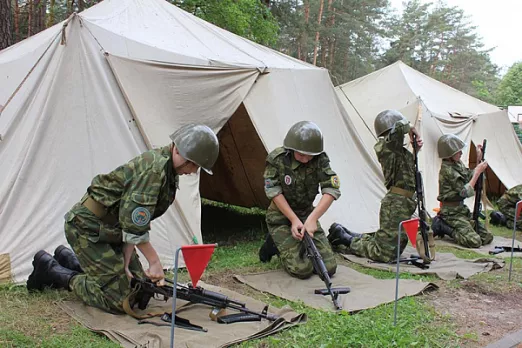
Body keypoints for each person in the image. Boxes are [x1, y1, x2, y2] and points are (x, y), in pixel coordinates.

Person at [26, 124, 220, 314]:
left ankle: (69, 259)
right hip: (87, 228)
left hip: (112, 231)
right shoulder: (154, 170)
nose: (193, 171)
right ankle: (50, 270)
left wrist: (127, 259)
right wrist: (154, 261)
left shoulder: (168, 171)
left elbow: (133, 220)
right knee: (120, 300)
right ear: (178, 150)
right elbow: (134, 224)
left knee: (139, 287)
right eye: (193, 164)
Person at [328, 109, 422, 263]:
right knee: (384, 254)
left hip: (403, 203)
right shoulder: (386, 146)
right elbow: (400, 127)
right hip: (396, 203)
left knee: (392, 250)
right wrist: (412, 127)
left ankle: (349, 234)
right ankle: (344, 238)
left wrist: (415, 150)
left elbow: (406, 173)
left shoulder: (399, 151)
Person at [258, 121, 340, 279]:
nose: (306, 159)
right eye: (301, 154)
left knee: (328, 268)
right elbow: (274, 191)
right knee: (301, 270)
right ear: (291, 149)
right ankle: (273, 243)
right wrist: (293, 220)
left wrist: (312, 219)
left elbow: (332, 189)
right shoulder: (278, 159)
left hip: (307, 215)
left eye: (310, 155)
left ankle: (292, 242)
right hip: (280, 218)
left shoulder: (320, 159)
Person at [431, 134, 493, 248]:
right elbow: (464, 192)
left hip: (461, 210)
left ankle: (460, 227)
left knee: (487, 237)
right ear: (449, 153)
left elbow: (468, 176)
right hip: (451, 213)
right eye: (458, 151)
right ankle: (443, 225)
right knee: (474, 241)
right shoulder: (447, 170)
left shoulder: (456, 164)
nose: (461, 153)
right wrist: (478, 172)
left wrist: (478, 160)